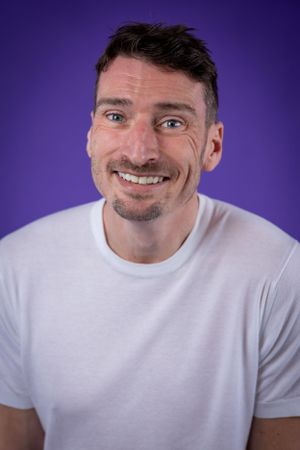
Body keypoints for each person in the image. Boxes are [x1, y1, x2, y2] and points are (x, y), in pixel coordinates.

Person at [0, 22, 299, 450]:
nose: (140, 152)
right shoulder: (14, 265)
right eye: (116, 116)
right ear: (91, 134)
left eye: (172, 122)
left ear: (212, 146)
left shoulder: (279, 273)